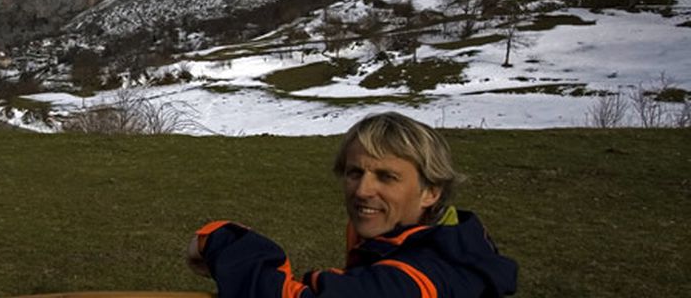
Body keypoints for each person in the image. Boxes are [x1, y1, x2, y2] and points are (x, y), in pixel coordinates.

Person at [186, 112, 517, 298]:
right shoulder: (453, 243)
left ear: (431, 191)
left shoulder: (420, 277)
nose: (362, 190)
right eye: (354, 172)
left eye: (387, 177)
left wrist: (221, 240)